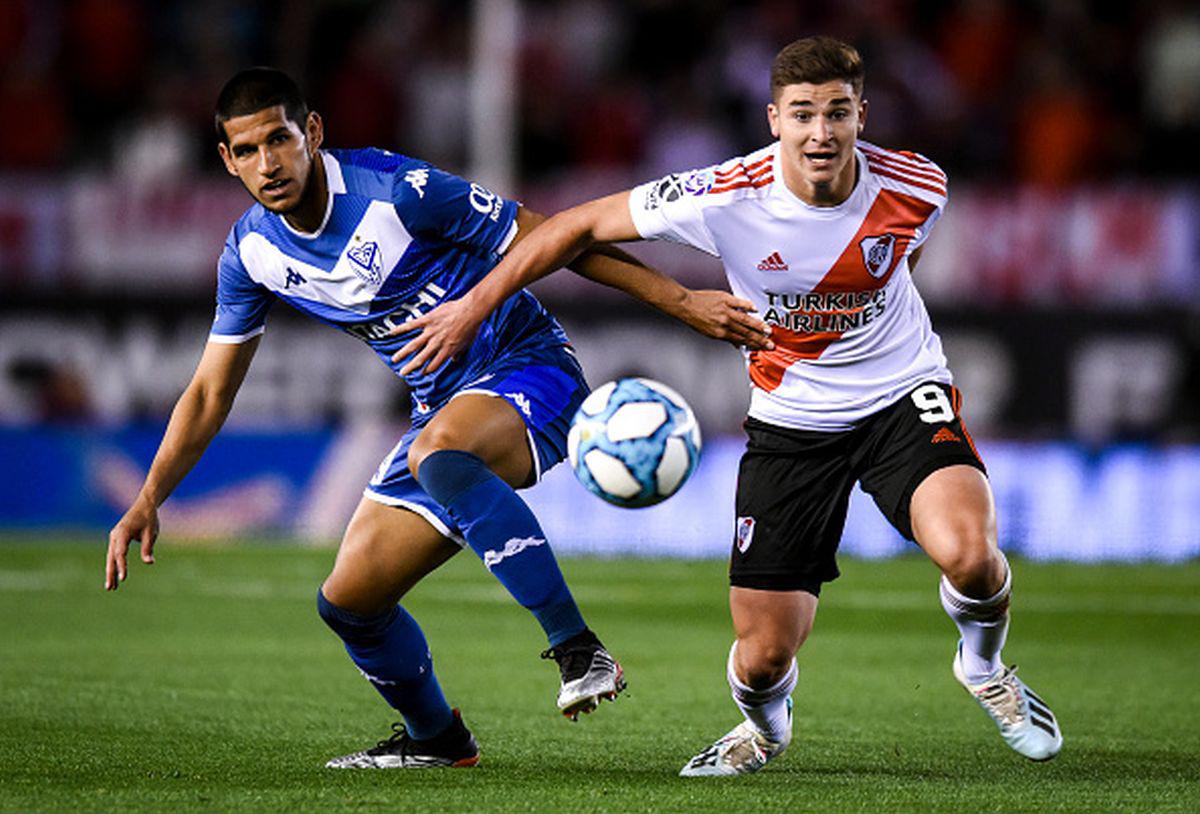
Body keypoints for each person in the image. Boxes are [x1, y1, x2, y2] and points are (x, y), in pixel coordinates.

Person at [395, 36, 1063, 776]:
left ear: (862, 117)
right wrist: (474, 307)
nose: (821, 132)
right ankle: (764, 730)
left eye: (837, 113)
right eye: (803, 114)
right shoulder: (728, 193)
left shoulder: (919, 185)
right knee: (763, 654)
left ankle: (984, 667)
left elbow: (902, 264)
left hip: (901, 397)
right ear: (774, 118)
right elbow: (571, 227)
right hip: (790, 423)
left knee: (970, 555)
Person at [103, 67, 766, 769]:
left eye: (281, 139)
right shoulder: (252, 254)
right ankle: (437, 740)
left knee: (441, 455)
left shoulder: (399, 194)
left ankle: (579, 651)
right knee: (350, 602)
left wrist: (681, 301)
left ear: (314, 133)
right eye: (247, 150)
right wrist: (149, 497)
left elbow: (558, 236)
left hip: (526, 367)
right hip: (440, 412)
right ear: (226, 161)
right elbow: (209, 393)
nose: (269, 163)